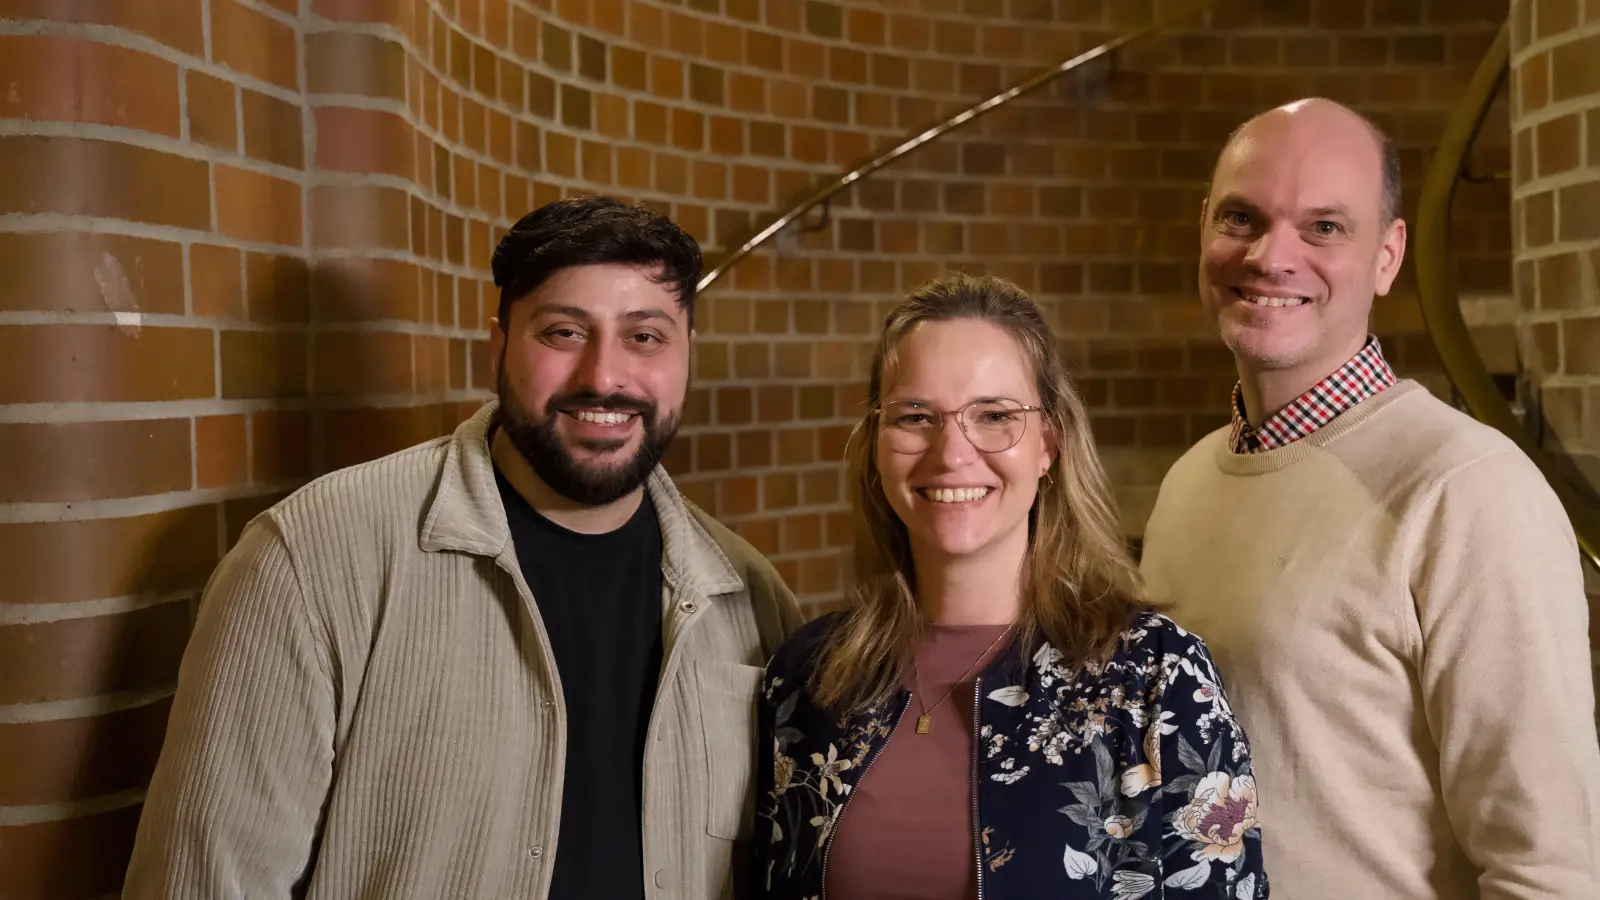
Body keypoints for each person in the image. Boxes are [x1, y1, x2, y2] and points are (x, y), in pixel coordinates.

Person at [124, 196, 804, 900]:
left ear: (686, 354)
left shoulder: (751, 598)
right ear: (498, 346)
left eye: (645, 337)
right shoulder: (314, 559)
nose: (605, 377)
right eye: (564, 332)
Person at [1139, 98, 1600, 899]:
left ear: (1388, 257)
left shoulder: (1468, 492)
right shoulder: (1186, 483)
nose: (1271, 256)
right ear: (1203, 228)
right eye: (1242, 218)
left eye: (1324, 227)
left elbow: (1549, 868)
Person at [752, 274, 1269, 900]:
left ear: (1049, 443)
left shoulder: (1156, 679)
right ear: (876, 447)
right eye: (916, 416)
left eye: (994, 416)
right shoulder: (806, 680)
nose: (952, 453)